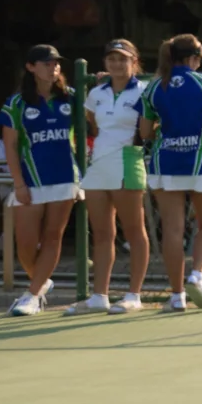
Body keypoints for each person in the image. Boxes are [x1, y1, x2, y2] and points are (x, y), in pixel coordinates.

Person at [141, 34, 202, 311]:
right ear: (192, 58)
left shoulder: (153, 87)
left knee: (172, 230)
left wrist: (166, 130)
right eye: (198, 60)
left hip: (165, 164)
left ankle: (177, 295)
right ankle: (197, 276)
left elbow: (144, 132)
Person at [0, 44, 80, 316]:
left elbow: (93, 119)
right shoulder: (16, 103)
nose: (53, 68)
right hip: (31, 180)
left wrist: (102, 82)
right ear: (31, 67)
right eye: (46, 63)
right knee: (25, 242)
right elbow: (10, 146)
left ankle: (32, 296)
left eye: (56, 63)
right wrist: (19, 183)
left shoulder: (72, 97)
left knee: (53, 236)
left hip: (65, 177)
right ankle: (41, 281)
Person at [74, 38, 152, 312]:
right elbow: (94, 126)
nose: (117, 64)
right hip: (98, 165)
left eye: (123, 59)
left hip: (128, 161)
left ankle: (134, 295)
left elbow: (149, 129)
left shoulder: (145, 90)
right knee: (102, 233)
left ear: (134, 61)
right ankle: (99, 296)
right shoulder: (97, 93)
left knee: (134, 231)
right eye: (112, 59)